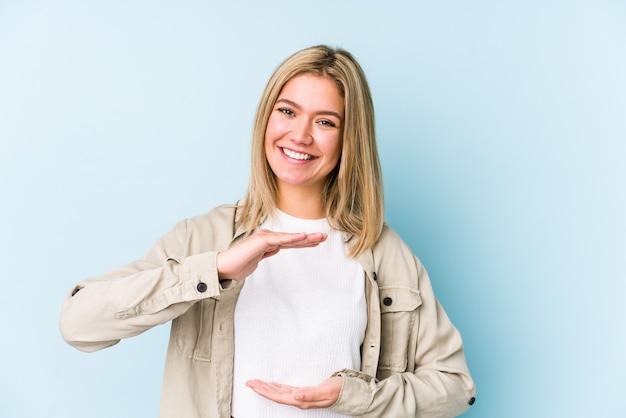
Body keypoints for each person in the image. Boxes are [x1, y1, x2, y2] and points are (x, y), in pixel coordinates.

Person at [59, 45, 476, 418]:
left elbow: (455, 388)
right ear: (266, 117)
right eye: (288, 111)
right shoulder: (202, 238)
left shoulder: (385, 252)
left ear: (350, 138)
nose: (300, 135)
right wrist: (217, 269)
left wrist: (352, 396)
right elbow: (78, 324)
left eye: (326, 121)